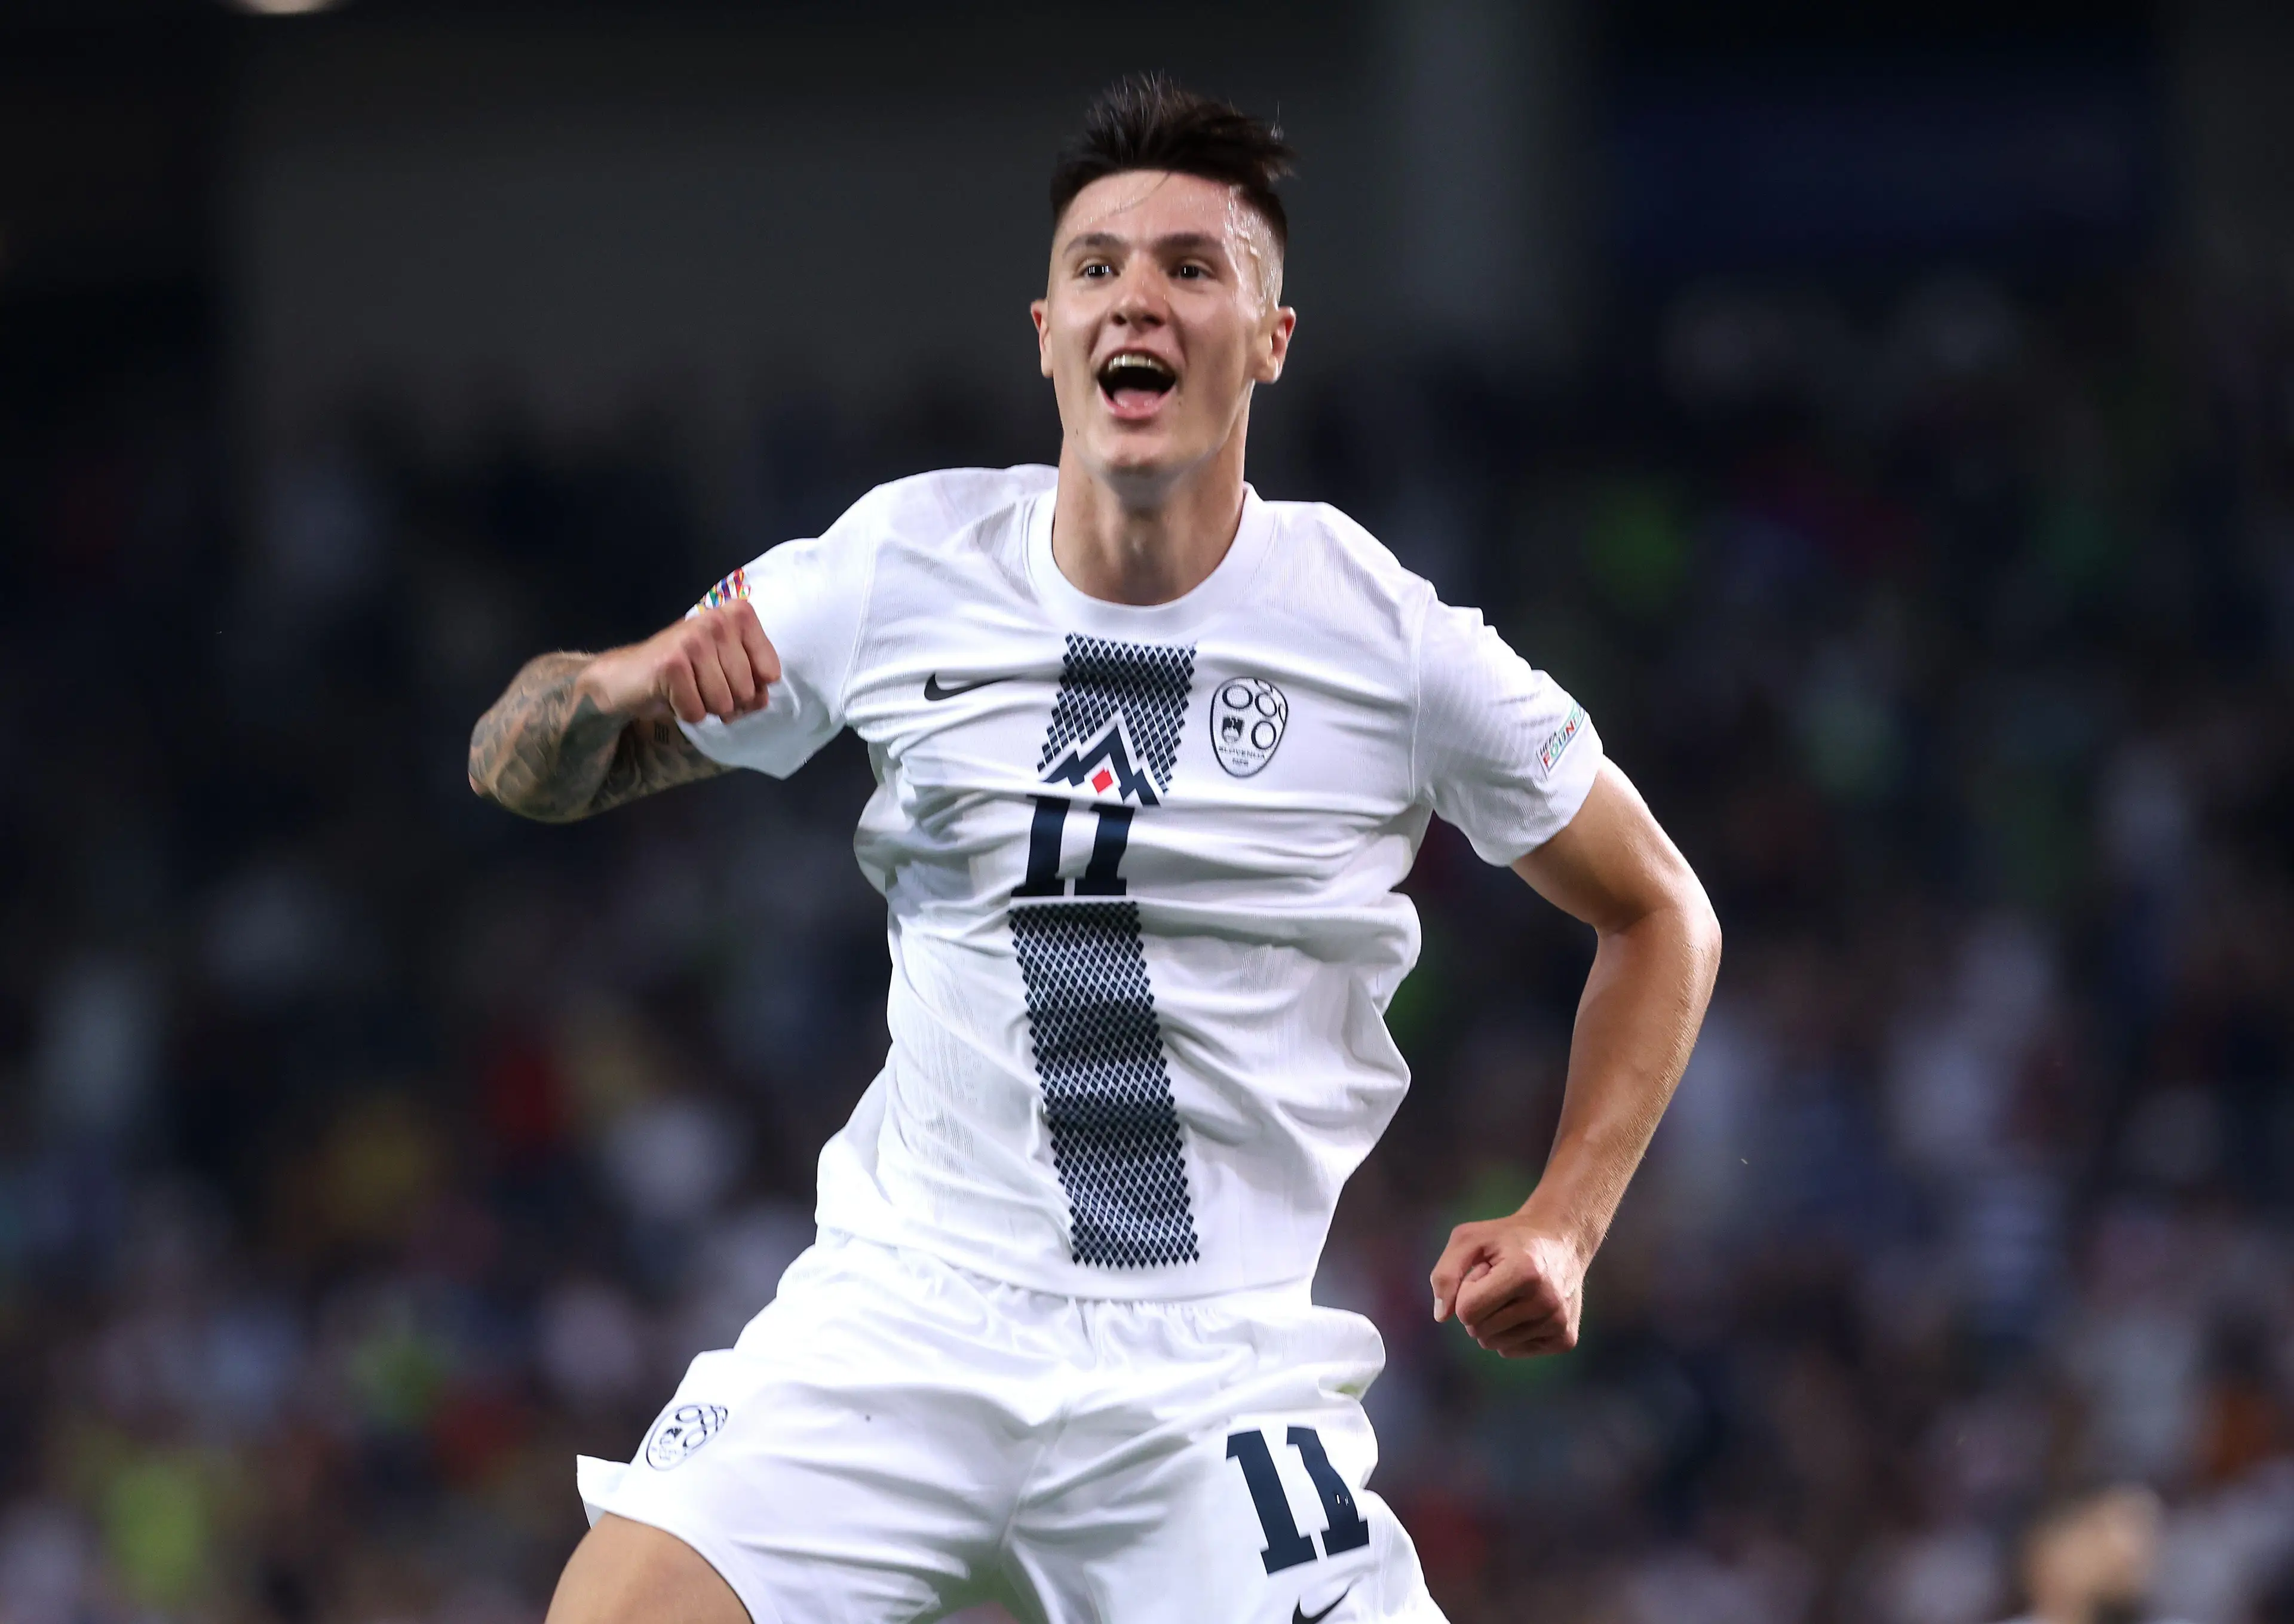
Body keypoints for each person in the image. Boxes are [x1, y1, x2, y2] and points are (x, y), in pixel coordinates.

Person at [469, 73, 1720, 1624]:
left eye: (1194, 266)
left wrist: (1565, 1221)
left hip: (1201, 1377)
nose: (1141, 294)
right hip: (900, 1330)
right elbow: (524, 762)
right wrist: (600, 691)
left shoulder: (1386, 643)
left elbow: (1662, 910)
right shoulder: (898, 567)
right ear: (1049, 333)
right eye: (1098, 266)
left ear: (1268, 341)